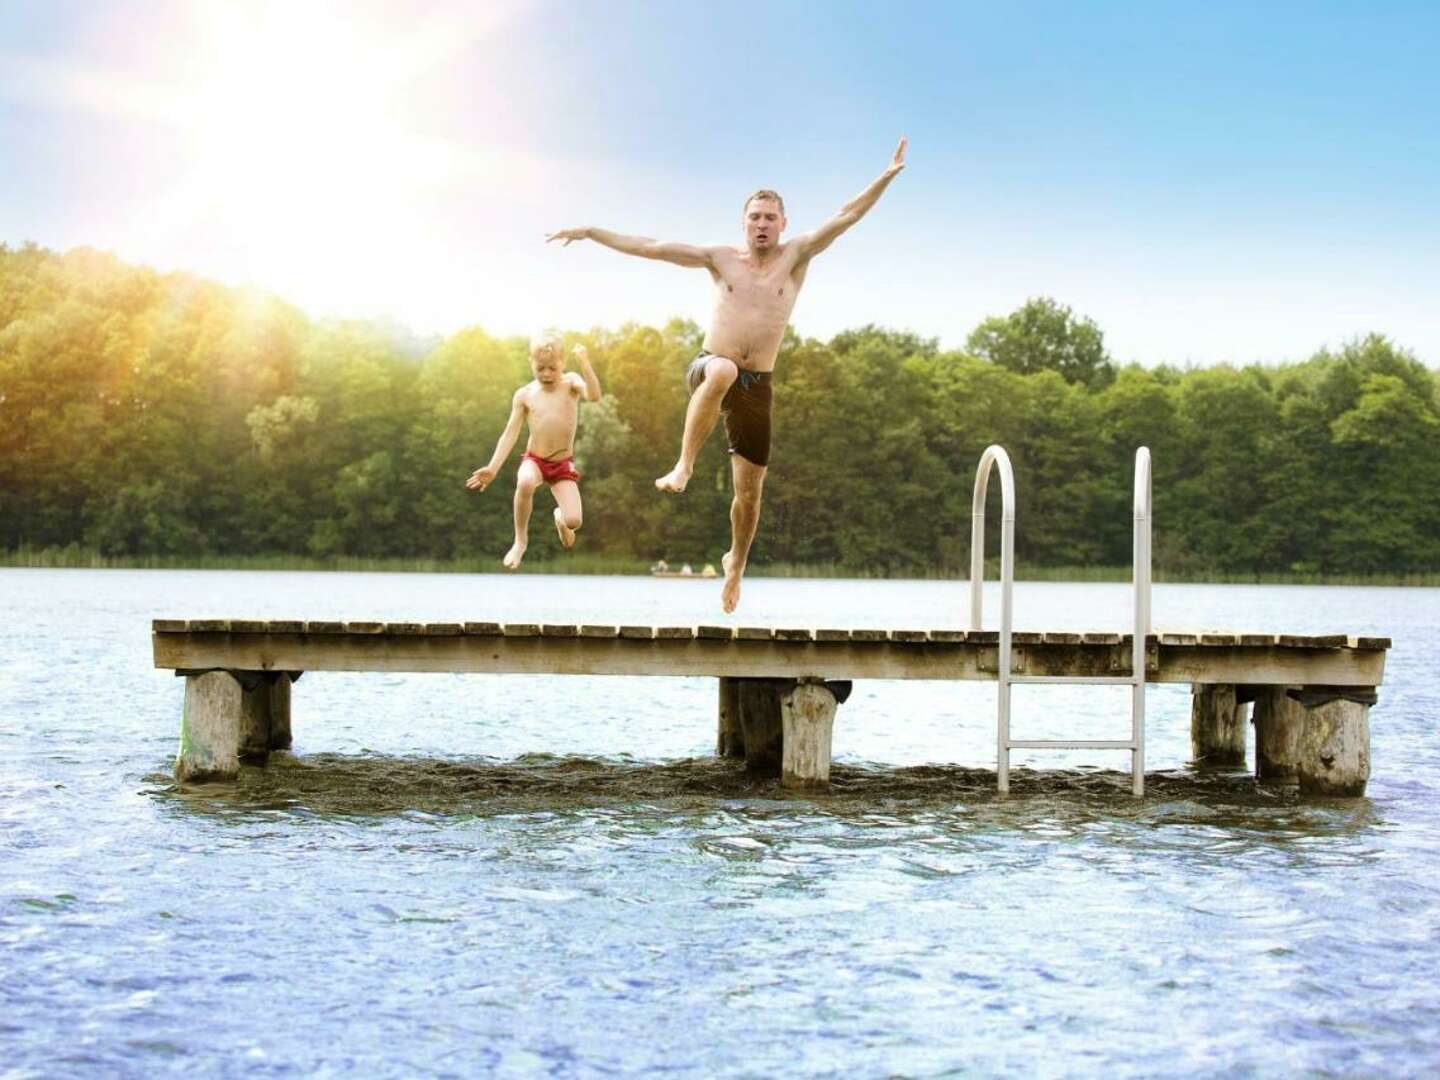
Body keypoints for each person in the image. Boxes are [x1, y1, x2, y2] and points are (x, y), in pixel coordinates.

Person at [547, 137, 907, 611]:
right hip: (710, 366)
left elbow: (846, 215)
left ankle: (735, 563)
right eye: (754, 217)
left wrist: (885, 176)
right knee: (722, 371)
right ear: (744, 223)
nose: (762, 224)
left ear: (783, 224)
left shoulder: (796, 256)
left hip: (759, 385)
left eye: (770, 217)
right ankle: (684, 465)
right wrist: (592, 230)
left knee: (749, 495)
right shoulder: (720, 258)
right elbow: (652, 247)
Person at [466, 338, 601, 569]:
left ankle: (560, 519)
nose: (547, 373)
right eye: (540, 368)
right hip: (535, 460)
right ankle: (520, 542)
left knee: (574, 521)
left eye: (553, 368)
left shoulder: (571, 383)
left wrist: (586, 364)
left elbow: (595, 396)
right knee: (526, 481)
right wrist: (492, 467)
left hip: (562, 464)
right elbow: (510, 433)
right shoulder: (525, 394)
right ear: (531, 363)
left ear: (563, 362)